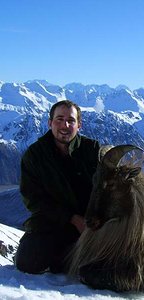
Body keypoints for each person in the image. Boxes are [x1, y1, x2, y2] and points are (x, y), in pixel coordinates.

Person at [15, 100, 101, 274]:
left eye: (71, 120)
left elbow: (104, 190)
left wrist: (94, 220)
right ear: (50, 123)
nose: (65, 125)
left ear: (79, 125)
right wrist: (72, 218)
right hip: (52, 222)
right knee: (28, 262)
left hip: (90, 224)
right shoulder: (35, 155)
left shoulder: (92, 150)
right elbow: (34, 200)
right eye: (59, 119)